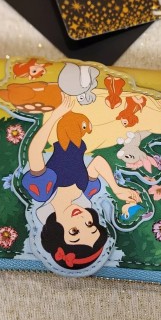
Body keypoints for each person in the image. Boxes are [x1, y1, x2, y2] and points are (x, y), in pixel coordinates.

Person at [22, 94, 141, 270]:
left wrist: (56, 115)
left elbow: (34, 151)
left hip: (58, 130)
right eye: (90, 225)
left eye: (74, 232)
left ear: (55, 232)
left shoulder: (44, 190)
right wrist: (117, 189)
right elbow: (98, 162)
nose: (81, 219)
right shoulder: (84, 192)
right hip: (85, 134)